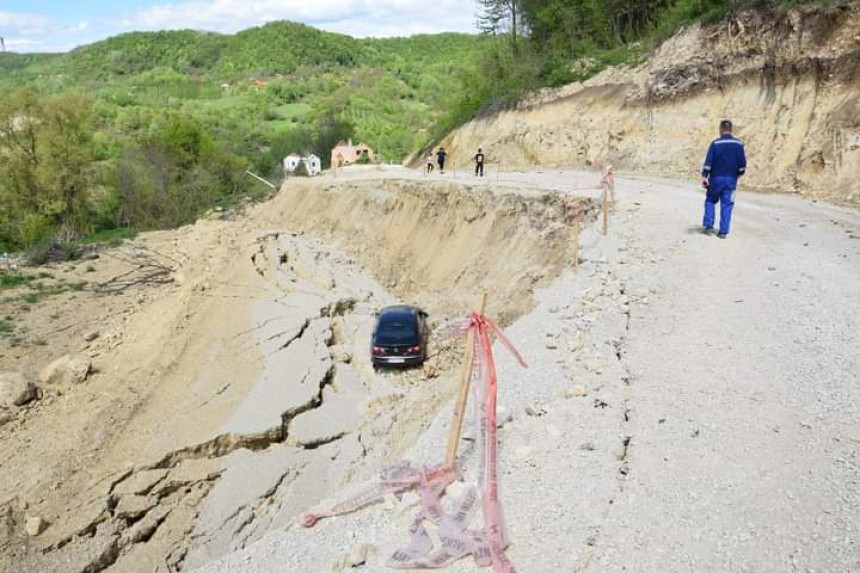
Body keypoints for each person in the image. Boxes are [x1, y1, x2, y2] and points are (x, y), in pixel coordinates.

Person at [701, 120, 747, 239]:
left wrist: (704, 176)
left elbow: (708, 163)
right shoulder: (739, 144)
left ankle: (708, 224)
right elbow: (742, 164)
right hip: (731, 179)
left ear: (721, 129)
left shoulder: (715, 144)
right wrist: (738, 175)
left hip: (716, 178)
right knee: (727, 204)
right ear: (731, 129)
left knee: (710, 199)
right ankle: (723, 232)